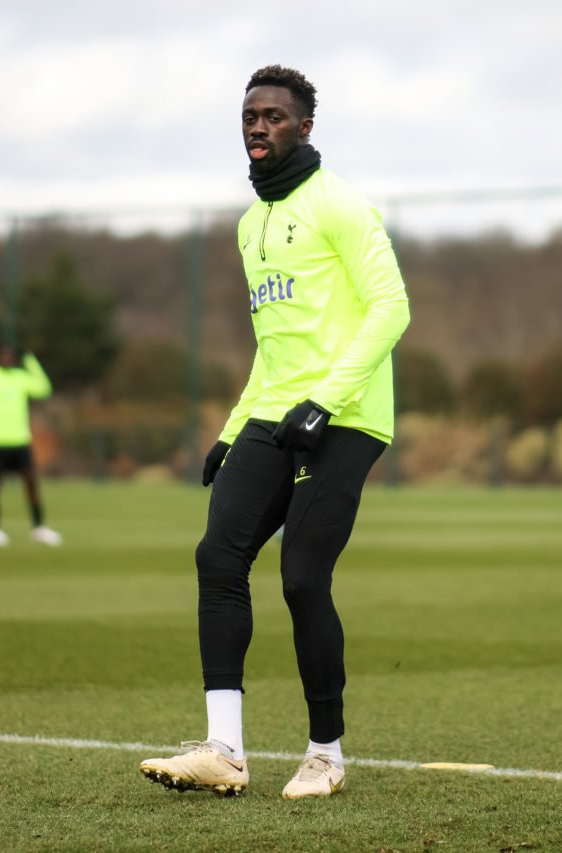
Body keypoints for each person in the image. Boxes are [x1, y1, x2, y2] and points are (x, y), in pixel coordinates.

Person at [139, 64, 410, 799]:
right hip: (274, 408)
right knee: (218, 557)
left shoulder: (343, 207)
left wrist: (325, 400)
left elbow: (391, 308)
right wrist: (233, 429)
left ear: (304, 128)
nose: (259, 125)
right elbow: (276, 344)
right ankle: (224, 748)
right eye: (250, 115)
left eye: (275, 116)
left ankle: (326, 753)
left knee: (301, 576)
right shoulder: (249, 224)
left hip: (347, 415)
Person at [0, 345, 62, 547]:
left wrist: (31, 362)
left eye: (10, 356)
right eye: (3, 355)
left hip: (20, 441)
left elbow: (44, 388)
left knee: (31, 484)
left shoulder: (20, 378)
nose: (7, 359)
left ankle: (39, 527)